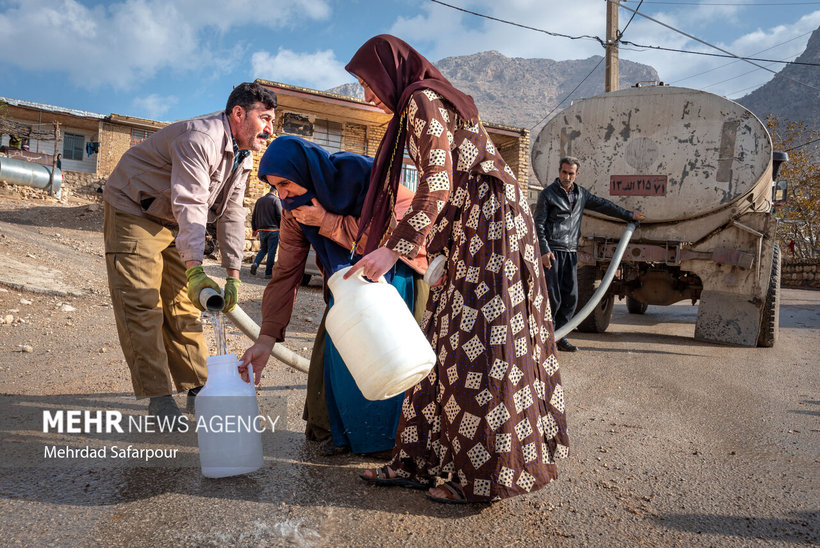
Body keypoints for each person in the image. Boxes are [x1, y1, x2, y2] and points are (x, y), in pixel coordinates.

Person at [344, 34, 569, 504]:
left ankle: (482, 478)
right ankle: (419, 460)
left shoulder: (422, 99)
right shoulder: (420, 103)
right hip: (474, 227)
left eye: (367, 82)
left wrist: (394, 250)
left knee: (482, 347)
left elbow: (439, 182)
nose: (366, 94)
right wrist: (441, 253)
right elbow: (450, 186)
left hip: (492, 228)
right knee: (442, 339)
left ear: (389, 71)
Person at [239, 135, 427, 456]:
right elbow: (286, 272)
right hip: (347, 285)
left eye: (285, 183)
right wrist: (266, 339)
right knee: (339, 355)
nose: (282, 195)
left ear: (306, 170)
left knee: (387, 352)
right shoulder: (292, 211)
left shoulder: (366, 177)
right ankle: (348, 437)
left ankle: (386, 443)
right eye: (275, 187)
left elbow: (396, 238)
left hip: (398, 273)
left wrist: (327, 221)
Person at [102, 82, 277, 420]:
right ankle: (159, 397)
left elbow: (233, 212)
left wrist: (233, 274)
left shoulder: (243, 157)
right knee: (142, 302)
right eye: (265, 118)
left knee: (181, 302)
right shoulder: (201, 139)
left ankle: (198, 385)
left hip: (173, 218)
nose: (270, 129)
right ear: (239, 114)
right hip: (135, 208)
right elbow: (192, 204)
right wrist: (196, 267)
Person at [533, 157, 645, 352]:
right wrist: (544, 251)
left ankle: (560, 337)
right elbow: (538, 225)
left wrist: (629, 215)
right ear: (559, 172)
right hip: (553, 251)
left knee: (571, 298)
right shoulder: (547, 195)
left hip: (570, 251)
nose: (567, 177)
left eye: (571, 173)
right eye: (564, 172)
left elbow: (604, 206)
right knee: (553, 298)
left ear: (577, 174)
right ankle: (545, 339)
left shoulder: (581, 194)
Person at [250, 188, 283, 279]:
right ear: (276, 192)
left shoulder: (259, 201)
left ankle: (256, 263)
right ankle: (268, 273)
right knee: (272, 251)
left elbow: (254, 216)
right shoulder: (276, 200)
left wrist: (254, 229)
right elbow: (280, 215)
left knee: (263, 249)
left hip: (262, 230)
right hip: (273, 230)